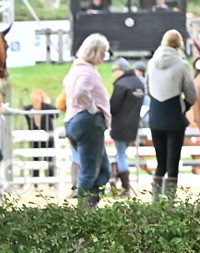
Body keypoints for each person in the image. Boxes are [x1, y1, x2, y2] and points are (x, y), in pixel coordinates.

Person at [145, 29, 196, 200]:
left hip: (155, 115)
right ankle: (169, 204)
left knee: (160, 162)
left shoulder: (151, 63)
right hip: (174, 115)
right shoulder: (182, 64)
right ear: (179, 44)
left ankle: (155, 200)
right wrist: (185, 106)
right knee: (173, 163)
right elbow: (191, 93)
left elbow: (147, 90)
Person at [63, 33, 112, 207]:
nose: (104, 57)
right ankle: (81, 213)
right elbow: (80, 92)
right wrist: (92, 108)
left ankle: (91, 205)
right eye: (103, 52)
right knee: (89, 171)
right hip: (88, 123)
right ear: (95, 52)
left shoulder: (76, 68)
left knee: (103, 170)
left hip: (73, 120)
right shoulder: (87, 72)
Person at [109, 57, 145, 193]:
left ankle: (124, 186)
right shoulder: (139, 84)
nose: (113, 74)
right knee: (121, 152)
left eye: (114, 70)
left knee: (121, 154)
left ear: (121, 70)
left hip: (119, 125)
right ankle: (114, 177)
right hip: (133, 125)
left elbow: (113, 106)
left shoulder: (121, 85)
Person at [24, 88, 57, 177]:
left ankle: (51, 180)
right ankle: (35, 181)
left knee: (49, 159)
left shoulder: (47, 108)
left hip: (47, 137)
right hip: (35, 137)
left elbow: (56, 115)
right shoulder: (29, 109)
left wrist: (45, 104)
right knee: (35, 159)